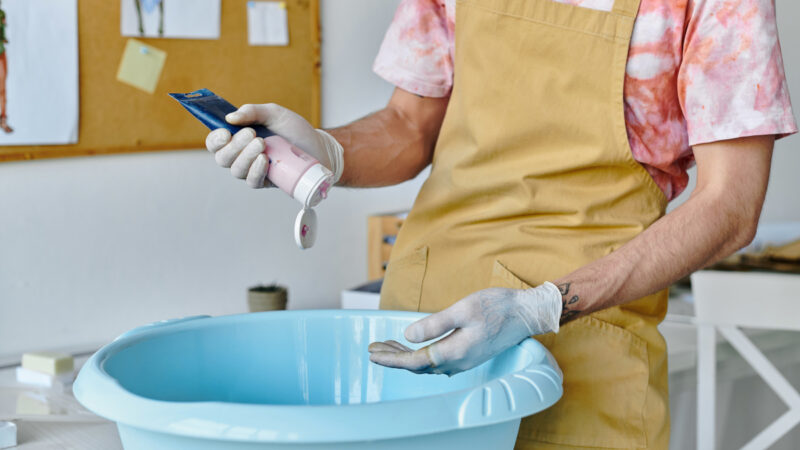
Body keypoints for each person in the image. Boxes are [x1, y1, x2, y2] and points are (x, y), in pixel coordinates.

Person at [205, 0, 796, 447]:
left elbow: (731, 204)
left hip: (583, 350)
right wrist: (326, 149)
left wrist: (542, 306)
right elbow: (410, 126)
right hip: (421, 328)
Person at [0, 0, 12, 134]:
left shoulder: (1, 13)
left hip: (1, 52)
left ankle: (3, 120)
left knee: (2, 88)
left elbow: (3, 35)